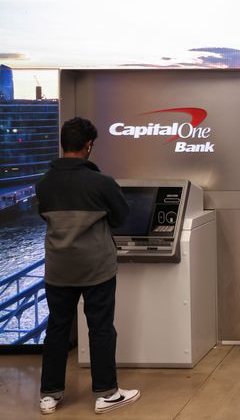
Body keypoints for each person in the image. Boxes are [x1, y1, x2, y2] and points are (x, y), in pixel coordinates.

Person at [36, 117, 141, 415]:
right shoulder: (102, 183)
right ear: (88, 146)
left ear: (63, 144)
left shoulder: (43, 184)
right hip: (97, 267)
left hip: (58, 268)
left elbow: (44, 216)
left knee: (56, 329)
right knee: (101, 328)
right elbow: (121, 217)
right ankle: (107, 393)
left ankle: (49, 395)